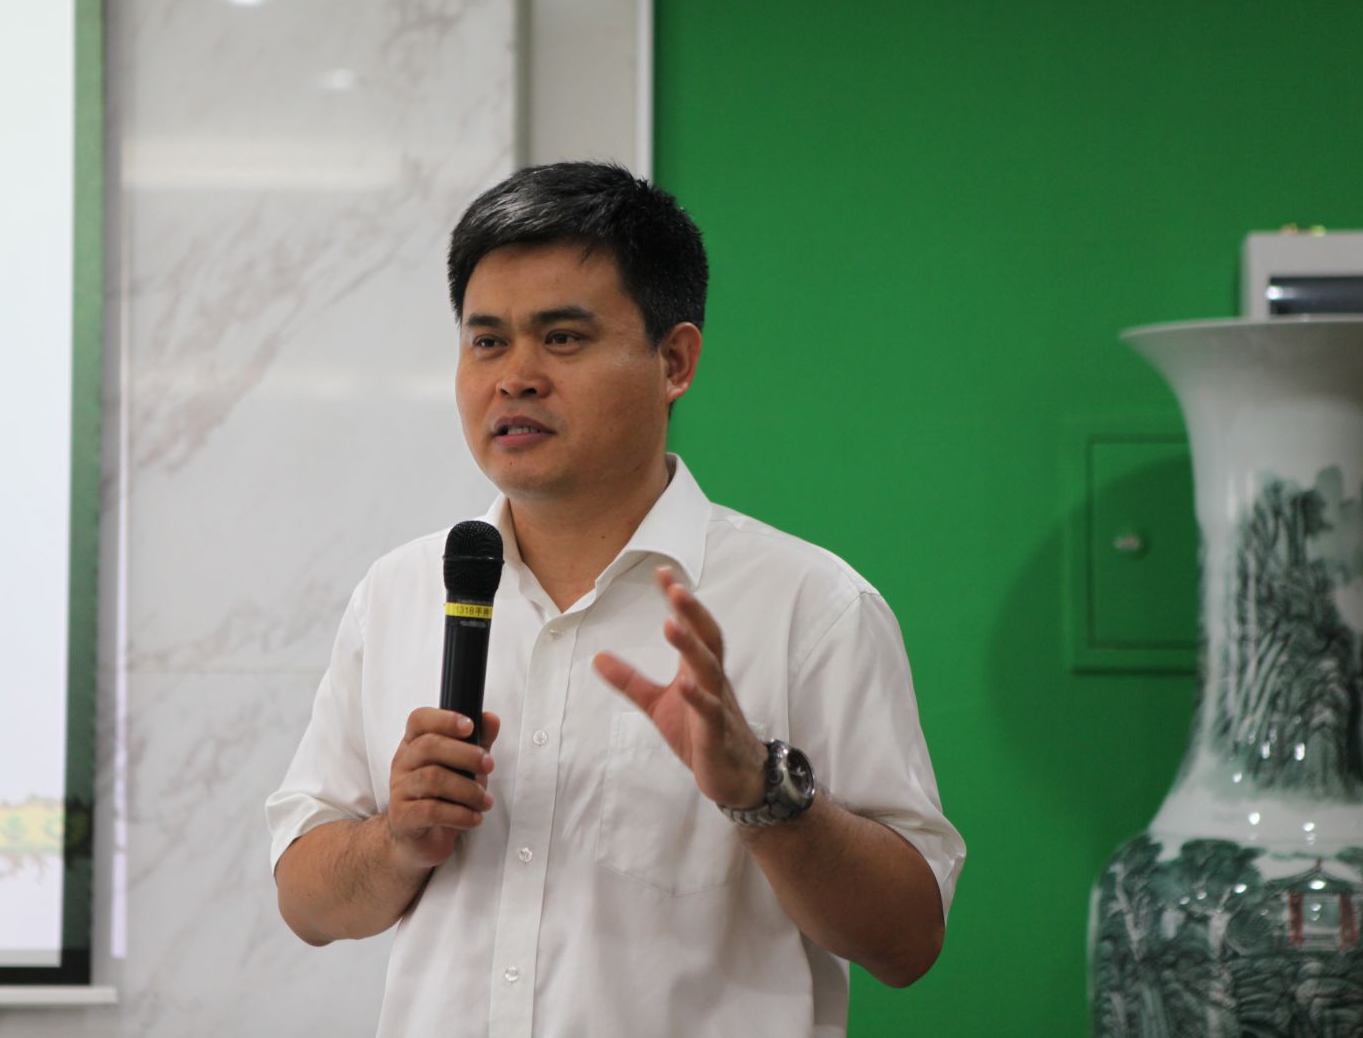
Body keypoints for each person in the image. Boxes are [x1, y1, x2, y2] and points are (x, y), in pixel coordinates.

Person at [266, 162, 964, 1037]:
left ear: (674, 361)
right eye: (487, 342)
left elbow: (907, 941)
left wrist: (764, 792)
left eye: (562, 338)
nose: (515, 377)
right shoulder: (399, 592)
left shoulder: (810, 606)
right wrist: (397, 839)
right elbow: (305, 900)